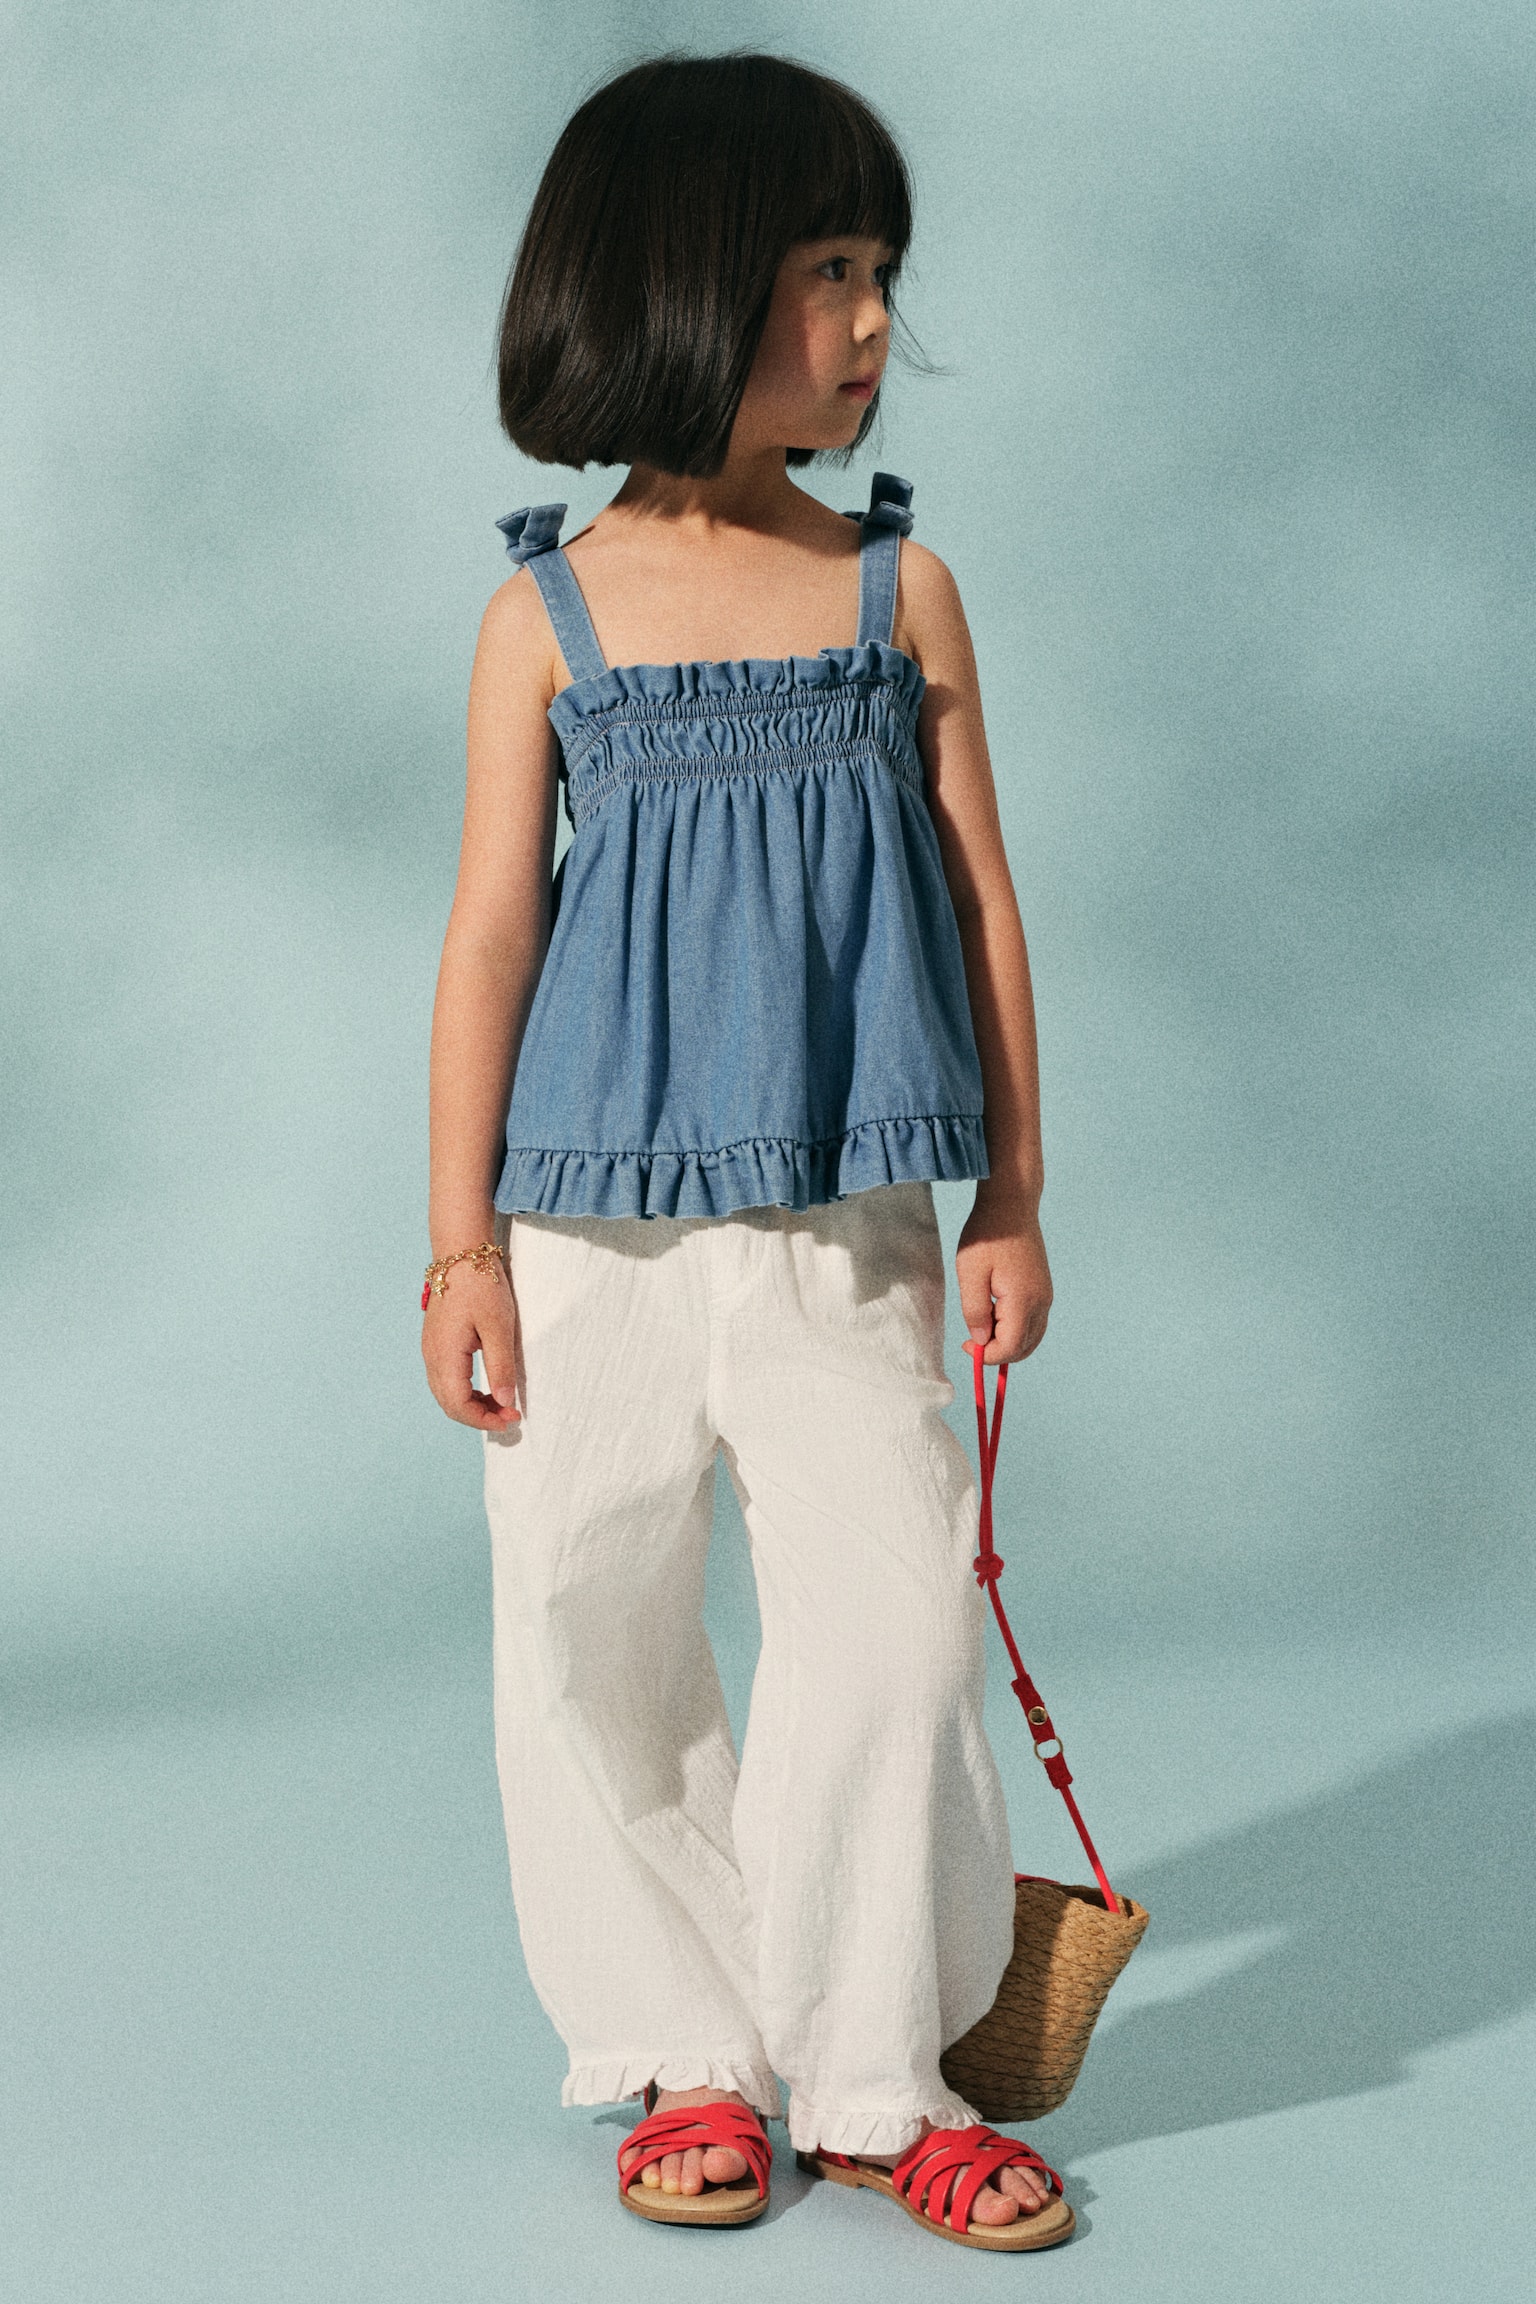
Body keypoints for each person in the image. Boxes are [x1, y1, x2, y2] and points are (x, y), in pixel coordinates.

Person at [422, 51, 1073, 2252]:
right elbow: (492, 934)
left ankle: (880, 2073)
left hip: (847, 1215)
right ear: (680, 284)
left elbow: (982, 907)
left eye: (883, 269)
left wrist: (1013, 1194)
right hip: (583, 1225)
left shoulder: (900, 594)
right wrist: (460, 1249)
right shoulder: (549, 616)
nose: (876, 319)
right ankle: (686, 2045)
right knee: (583, 1626)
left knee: (890, 1631)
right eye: (830, 269)